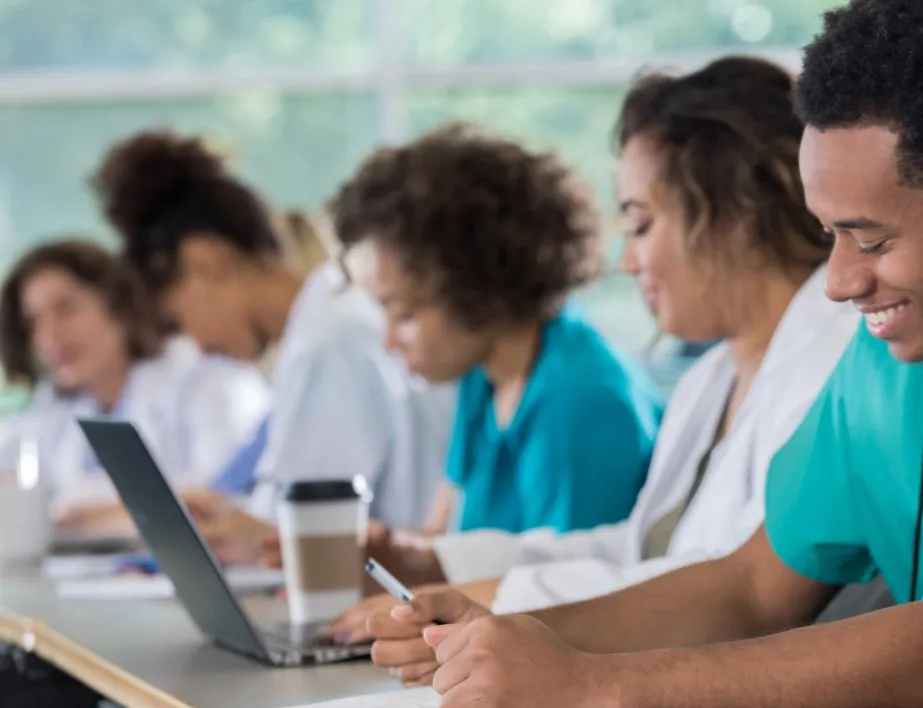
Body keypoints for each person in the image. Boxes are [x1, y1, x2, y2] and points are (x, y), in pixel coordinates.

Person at [353, 2, 923, 708]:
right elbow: (755, 586)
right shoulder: (903, 347)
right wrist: (510, 636)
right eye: (828, 236)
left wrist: (592, 691)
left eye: (868, 239)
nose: (837, 283)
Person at [327, 56, 859, 645]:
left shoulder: (838, 361)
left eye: (641, 224)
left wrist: (491, 607)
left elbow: (733, 590)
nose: (627, 260)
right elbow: (635, 549)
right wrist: (436, 568)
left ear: (736, 209)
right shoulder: (713, 377)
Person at [90, 130, 456, 550]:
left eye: (178, 320)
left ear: (206, 261)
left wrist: (235, 531)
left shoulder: (328, 341)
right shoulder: (330, 318)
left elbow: (307, 525)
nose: (196, 344)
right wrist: (233, 514)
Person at [326, 122, 663, 564]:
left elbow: (571, 593)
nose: (389, 340)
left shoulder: (579, 402)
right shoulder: (484, 374)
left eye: (405, 315)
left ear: (480, 289)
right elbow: (438, 538)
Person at [0, 239, 268, 533]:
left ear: (118, 307)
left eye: (66, 309)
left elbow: (218, 504)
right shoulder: (54, 411)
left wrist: (81, 517)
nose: (49, 336)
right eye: (33, 320)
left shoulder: (208, 383)